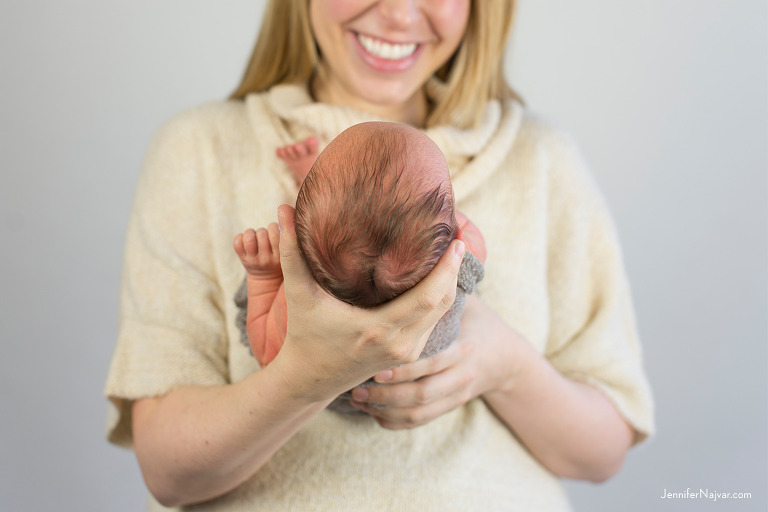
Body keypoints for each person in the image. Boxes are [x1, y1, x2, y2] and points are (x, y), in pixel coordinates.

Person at [104, 1, 654, 510]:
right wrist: (305, 376)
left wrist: (503, 364)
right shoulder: (200, 149)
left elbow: (602, 453)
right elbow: (169, 473)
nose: (394, 13)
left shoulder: (541, 160)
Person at [233, 121, 486, 376]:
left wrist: (263, 276)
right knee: (349, 212)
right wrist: (444, 224)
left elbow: (266, 355)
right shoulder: (456, 264)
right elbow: (474, 246)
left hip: (329, 387)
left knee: (339, 216)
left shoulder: (298, 309)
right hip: (404, 375)